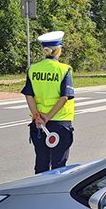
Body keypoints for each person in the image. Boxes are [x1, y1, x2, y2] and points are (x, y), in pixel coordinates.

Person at [22, 31, 75, 173]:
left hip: (39, 124)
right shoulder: (64, 69)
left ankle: (38, 193)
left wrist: (37, 117)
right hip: (60, 122)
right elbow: (64, 97)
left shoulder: (33, 69)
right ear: (59, 50)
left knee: (41, 163)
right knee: (59, 165)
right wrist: (48, 117)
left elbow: (29, 95)